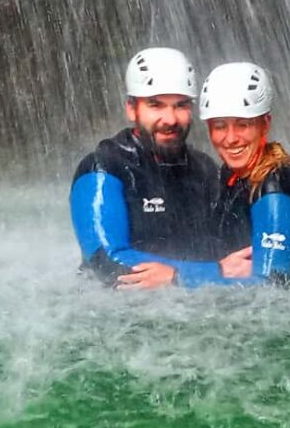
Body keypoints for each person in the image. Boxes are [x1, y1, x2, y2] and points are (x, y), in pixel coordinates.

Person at [69, 48, 252, 289]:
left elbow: (236, 254)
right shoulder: (102, 167)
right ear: (132, 108)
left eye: (180, 106)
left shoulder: (204, 168)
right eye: (156, 105)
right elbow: (106, 262)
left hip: (193, 303)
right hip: (117, 311)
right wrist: (202, 273)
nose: (170, 119)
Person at [199, 62, 290, 285]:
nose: (231, 138)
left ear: (264, 125)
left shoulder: (276, 183)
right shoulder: (231, 174)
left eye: (243, 125)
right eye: (220, 126)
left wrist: (181, 277)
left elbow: (273, 284)